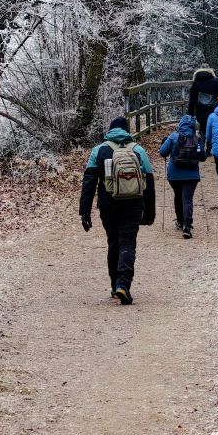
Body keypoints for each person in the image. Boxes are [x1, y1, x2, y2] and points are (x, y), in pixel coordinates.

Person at [79, 117, 156, 305]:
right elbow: (149, 183)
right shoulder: (138, 150)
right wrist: (150, 212)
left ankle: (115, 285)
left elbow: (89, 182)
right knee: (128, 243)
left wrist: (85, 211)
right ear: (126, 131)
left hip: (108, 204)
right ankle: (124, 285)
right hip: (133, 204)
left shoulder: (99, 150)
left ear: (110, 130)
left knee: (114, 242)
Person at [159, 115, 207, 239]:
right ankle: (187, 225)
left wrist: (164, 143)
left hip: (174, 175)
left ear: (180, 125)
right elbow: (203, 157)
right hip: (192, 175)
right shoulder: (197, 139)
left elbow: (163, 152)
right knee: (187, 198)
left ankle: (180, 221)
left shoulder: (173, 137)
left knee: (178, 196)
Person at [187, 67, 218, 136]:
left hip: (200, 110)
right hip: (213, 110)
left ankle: (202, 142)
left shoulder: (196, 83)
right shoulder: (215, 81)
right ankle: (210, 145)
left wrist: (190, 114)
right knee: (213, 129)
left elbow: (192, 100)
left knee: (202, 129)